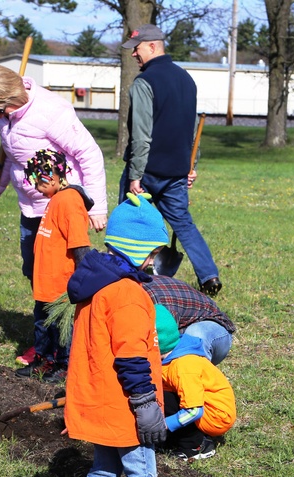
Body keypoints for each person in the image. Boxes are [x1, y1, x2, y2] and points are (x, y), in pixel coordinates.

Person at [64, 193, 192, 477]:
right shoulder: (129, 295)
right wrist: (146, 405)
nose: (154, 260)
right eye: (152, 252)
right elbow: (132, 357)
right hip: (124, 406)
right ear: (139, 249)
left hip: (98, 401)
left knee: (103, 471)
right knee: (141, 474)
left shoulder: (95, 285)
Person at [0, 64, 108, 365]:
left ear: (10, 100)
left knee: (63, 278)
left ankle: (71, 346)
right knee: (37, 275)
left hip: (60, 207)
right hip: (29, 208)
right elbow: (10, 154)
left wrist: (96, 206)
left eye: (0, 110)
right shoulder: (3, 116)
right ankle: (46, 342)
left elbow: (89, 153)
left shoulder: (51, 111)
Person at [120, 24, 221, 297]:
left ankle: (125, 278)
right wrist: (191, 166)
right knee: (184, 224)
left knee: (129, 223)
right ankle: (209, 276)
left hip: (148, 171)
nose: (133, 56)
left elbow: (141, 136)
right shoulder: (187, 79)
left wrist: (135, 175)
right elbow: (190, 131)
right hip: (176, 172)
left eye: (136, 49)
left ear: (152, 46)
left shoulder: (144, 83)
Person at [18, 149, 93, 384]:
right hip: (45, 283)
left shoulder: (69, 200)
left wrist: (84, 277)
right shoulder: (55, 199)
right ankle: (43, 359)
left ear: (51, 176)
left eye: (37, 182)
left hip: (61, 284)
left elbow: (79, 243)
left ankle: (64, 364)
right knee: (42, 323)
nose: (36, 188)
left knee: (61, 328)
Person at [154, 305, 236, 461]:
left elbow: (193, 411)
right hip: (201, 407)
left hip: (214, 416)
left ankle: (196, 446)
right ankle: (173, 439)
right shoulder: (172, 355)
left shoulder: (184, 366)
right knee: (161, 395)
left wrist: (164, 425)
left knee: (165, 400)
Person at [142, 274, 235, 365]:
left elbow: (163, 347)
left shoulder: (157, 306)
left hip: (215, 327)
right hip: (183, 324)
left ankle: (195, 376)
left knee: (190, 341)